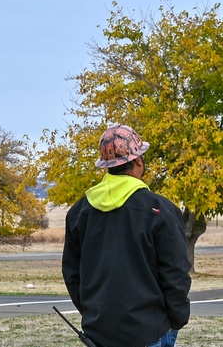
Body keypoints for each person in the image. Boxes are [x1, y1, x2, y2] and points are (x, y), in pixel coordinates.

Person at [62, 124, 192, 347]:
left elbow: (72, 275)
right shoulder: (161, 211)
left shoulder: (78, 213)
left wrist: (93, 314)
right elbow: (176, 274)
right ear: (139, 160)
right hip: (151, 332)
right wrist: (177, 319)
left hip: (98, 332)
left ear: (106, 166)